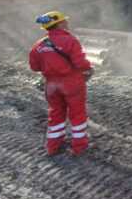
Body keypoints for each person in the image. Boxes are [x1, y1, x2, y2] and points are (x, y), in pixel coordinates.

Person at [29, 11, 93, 156]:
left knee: (56, 114)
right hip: (72, 83)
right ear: (59, 24)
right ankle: (79, 147)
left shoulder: (38, 45)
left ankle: (52, 147)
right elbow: (79, 62)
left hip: (51, 86)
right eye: (65, 21)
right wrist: (89, 68)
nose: (67, 23)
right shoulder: (70, 41)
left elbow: (34, 67)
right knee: (77, 114)